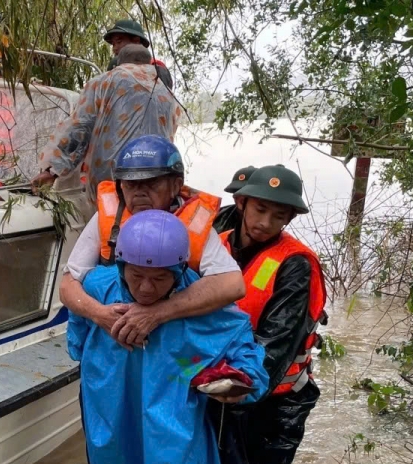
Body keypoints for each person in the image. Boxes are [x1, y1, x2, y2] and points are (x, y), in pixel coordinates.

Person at [67, 210, 268, 464]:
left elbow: (244, 354)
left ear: (178, 272)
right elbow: (77, 339)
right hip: (113, 409)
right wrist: (99, 318)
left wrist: (237, 382)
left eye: (159, 279)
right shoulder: (100, 291)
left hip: (169, 421)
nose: (145, 288)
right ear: (121, 267)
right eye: (136, 275)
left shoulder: (200, 306)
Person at [211, 165, 328, 464]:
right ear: (242, 203)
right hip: (220, 388)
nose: (265, 222)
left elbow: (275, 342)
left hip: (274, 400)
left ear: (289, 219)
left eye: (278, 215)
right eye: (260, 209)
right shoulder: (217, 238)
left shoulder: (295, 265)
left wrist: (238, 388)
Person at [58, 135, 243, 349]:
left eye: (151, 183)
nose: (139, 193)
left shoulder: (194, 223)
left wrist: (158, 312)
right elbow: (67, 286)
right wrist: (101, 315)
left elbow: (233, 285)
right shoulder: (107, 217)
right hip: (112, 345)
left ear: (176, 185)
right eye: (131, 184)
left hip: (171, 347)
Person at [32, 46, 179, 204]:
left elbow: (80, 127)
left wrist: (52, 170)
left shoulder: (104, 81)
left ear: (119, 62)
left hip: (112, 183)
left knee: (111, 223)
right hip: (156, 184)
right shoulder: (165, 91)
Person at [102, 18, 175, 90]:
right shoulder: (114, 68)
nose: (115, 48)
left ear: (136, 41)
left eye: (119, 42)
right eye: (113, 44)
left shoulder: (156, 67)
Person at [212, 165, 257, 233]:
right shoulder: (218, 217)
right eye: (236, 191)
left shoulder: (269, 223)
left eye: (248, 193)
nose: (241, 199)